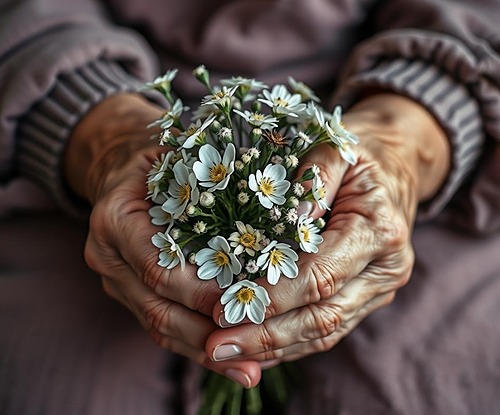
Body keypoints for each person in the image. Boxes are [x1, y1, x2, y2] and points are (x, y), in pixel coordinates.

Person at [1, 0, 499, 414]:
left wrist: (404, 143)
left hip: (402, 124)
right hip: (99, 118)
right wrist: (104, 139)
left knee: (429, 384)